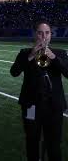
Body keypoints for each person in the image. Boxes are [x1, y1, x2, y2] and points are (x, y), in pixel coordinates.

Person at [10, 20, 68, 161]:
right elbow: (14, 72)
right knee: (32, 142)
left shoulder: (59, 53)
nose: (44, 36)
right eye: (40, 33)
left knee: (54, 145)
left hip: (54, 107)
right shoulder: (24, 53)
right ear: (35, 35)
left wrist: (54, 58)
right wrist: (31, 55)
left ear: (50, 35)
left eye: (47, 33)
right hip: (31, 106)